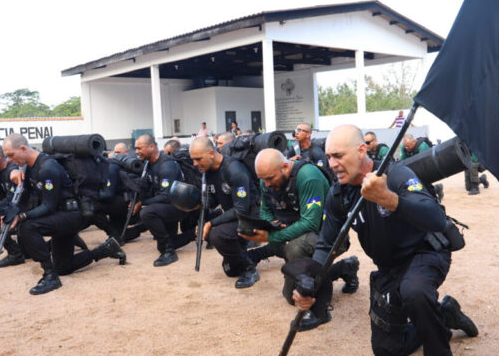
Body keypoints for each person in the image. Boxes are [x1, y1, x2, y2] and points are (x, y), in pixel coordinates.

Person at [292, 125, 477, 355]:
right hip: (389, 269)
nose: (331, 164)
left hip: (424, 253)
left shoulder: (395, 174)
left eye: (338, 155)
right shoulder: (338, 195)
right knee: (387, 350)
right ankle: (443, 315)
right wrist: (311, 282)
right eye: (328, 156)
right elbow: (326, 244)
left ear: (361, 150)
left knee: (415, 292)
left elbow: (436, 219)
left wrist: (390, 200)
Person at [3, 133, 125, 295]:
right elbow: (25, 197)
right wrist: (11, 212)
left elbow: (48, 206)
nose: (10, 160)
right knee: (64, 267)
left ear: (24, 148)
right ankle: (106, 249)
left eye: (11, 155)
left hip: (72, 215)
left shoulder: (47, 168)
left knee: (28, 227)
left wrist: (22, 217)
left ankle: (50, 276)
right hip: (60, 216)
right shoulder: (29, 167)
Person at [240, 149, 329, 304]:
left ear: (286, 167)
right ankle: (342, 268)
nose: (266, 184)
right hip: (297, 230)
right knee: (290, 297)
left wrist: (272, 236)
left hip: (325, 235)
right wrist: (273, 225)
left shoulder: (308, 176)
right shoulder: (266, 179)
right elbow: (265, 211)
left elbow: (311, 223)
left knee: (294, 248)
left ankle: (323, 289)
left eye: (270, 178)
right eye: (262, 179)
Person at [190, 137, 261, 288]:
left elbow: (242, 209)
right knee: (230, 270)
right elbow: (215, 200)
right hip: (234, 215)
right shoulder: (208, 171)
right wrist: (197, 205)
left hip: (250, 216)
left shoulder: (234, 170)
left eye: (198, 159)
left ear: (211, 153)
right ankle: (247, 256)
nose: (195, 164)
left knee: (216, 234)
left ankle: (249, 269)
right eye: (193, 160)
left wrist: (210, 223)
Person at [135, 133, 195, 267]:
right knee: (165, 243)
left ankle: (170, 253)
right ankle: (196, 232)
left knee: (146, 213)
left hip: (178, 206)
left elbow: (166, 196)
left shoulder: (167, 165)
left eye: (139, 148)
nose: (137, 152)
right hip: (166, 206)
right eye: (136, 148)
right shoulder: (148, 164)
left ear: (151, 147)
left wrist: (142, 204)